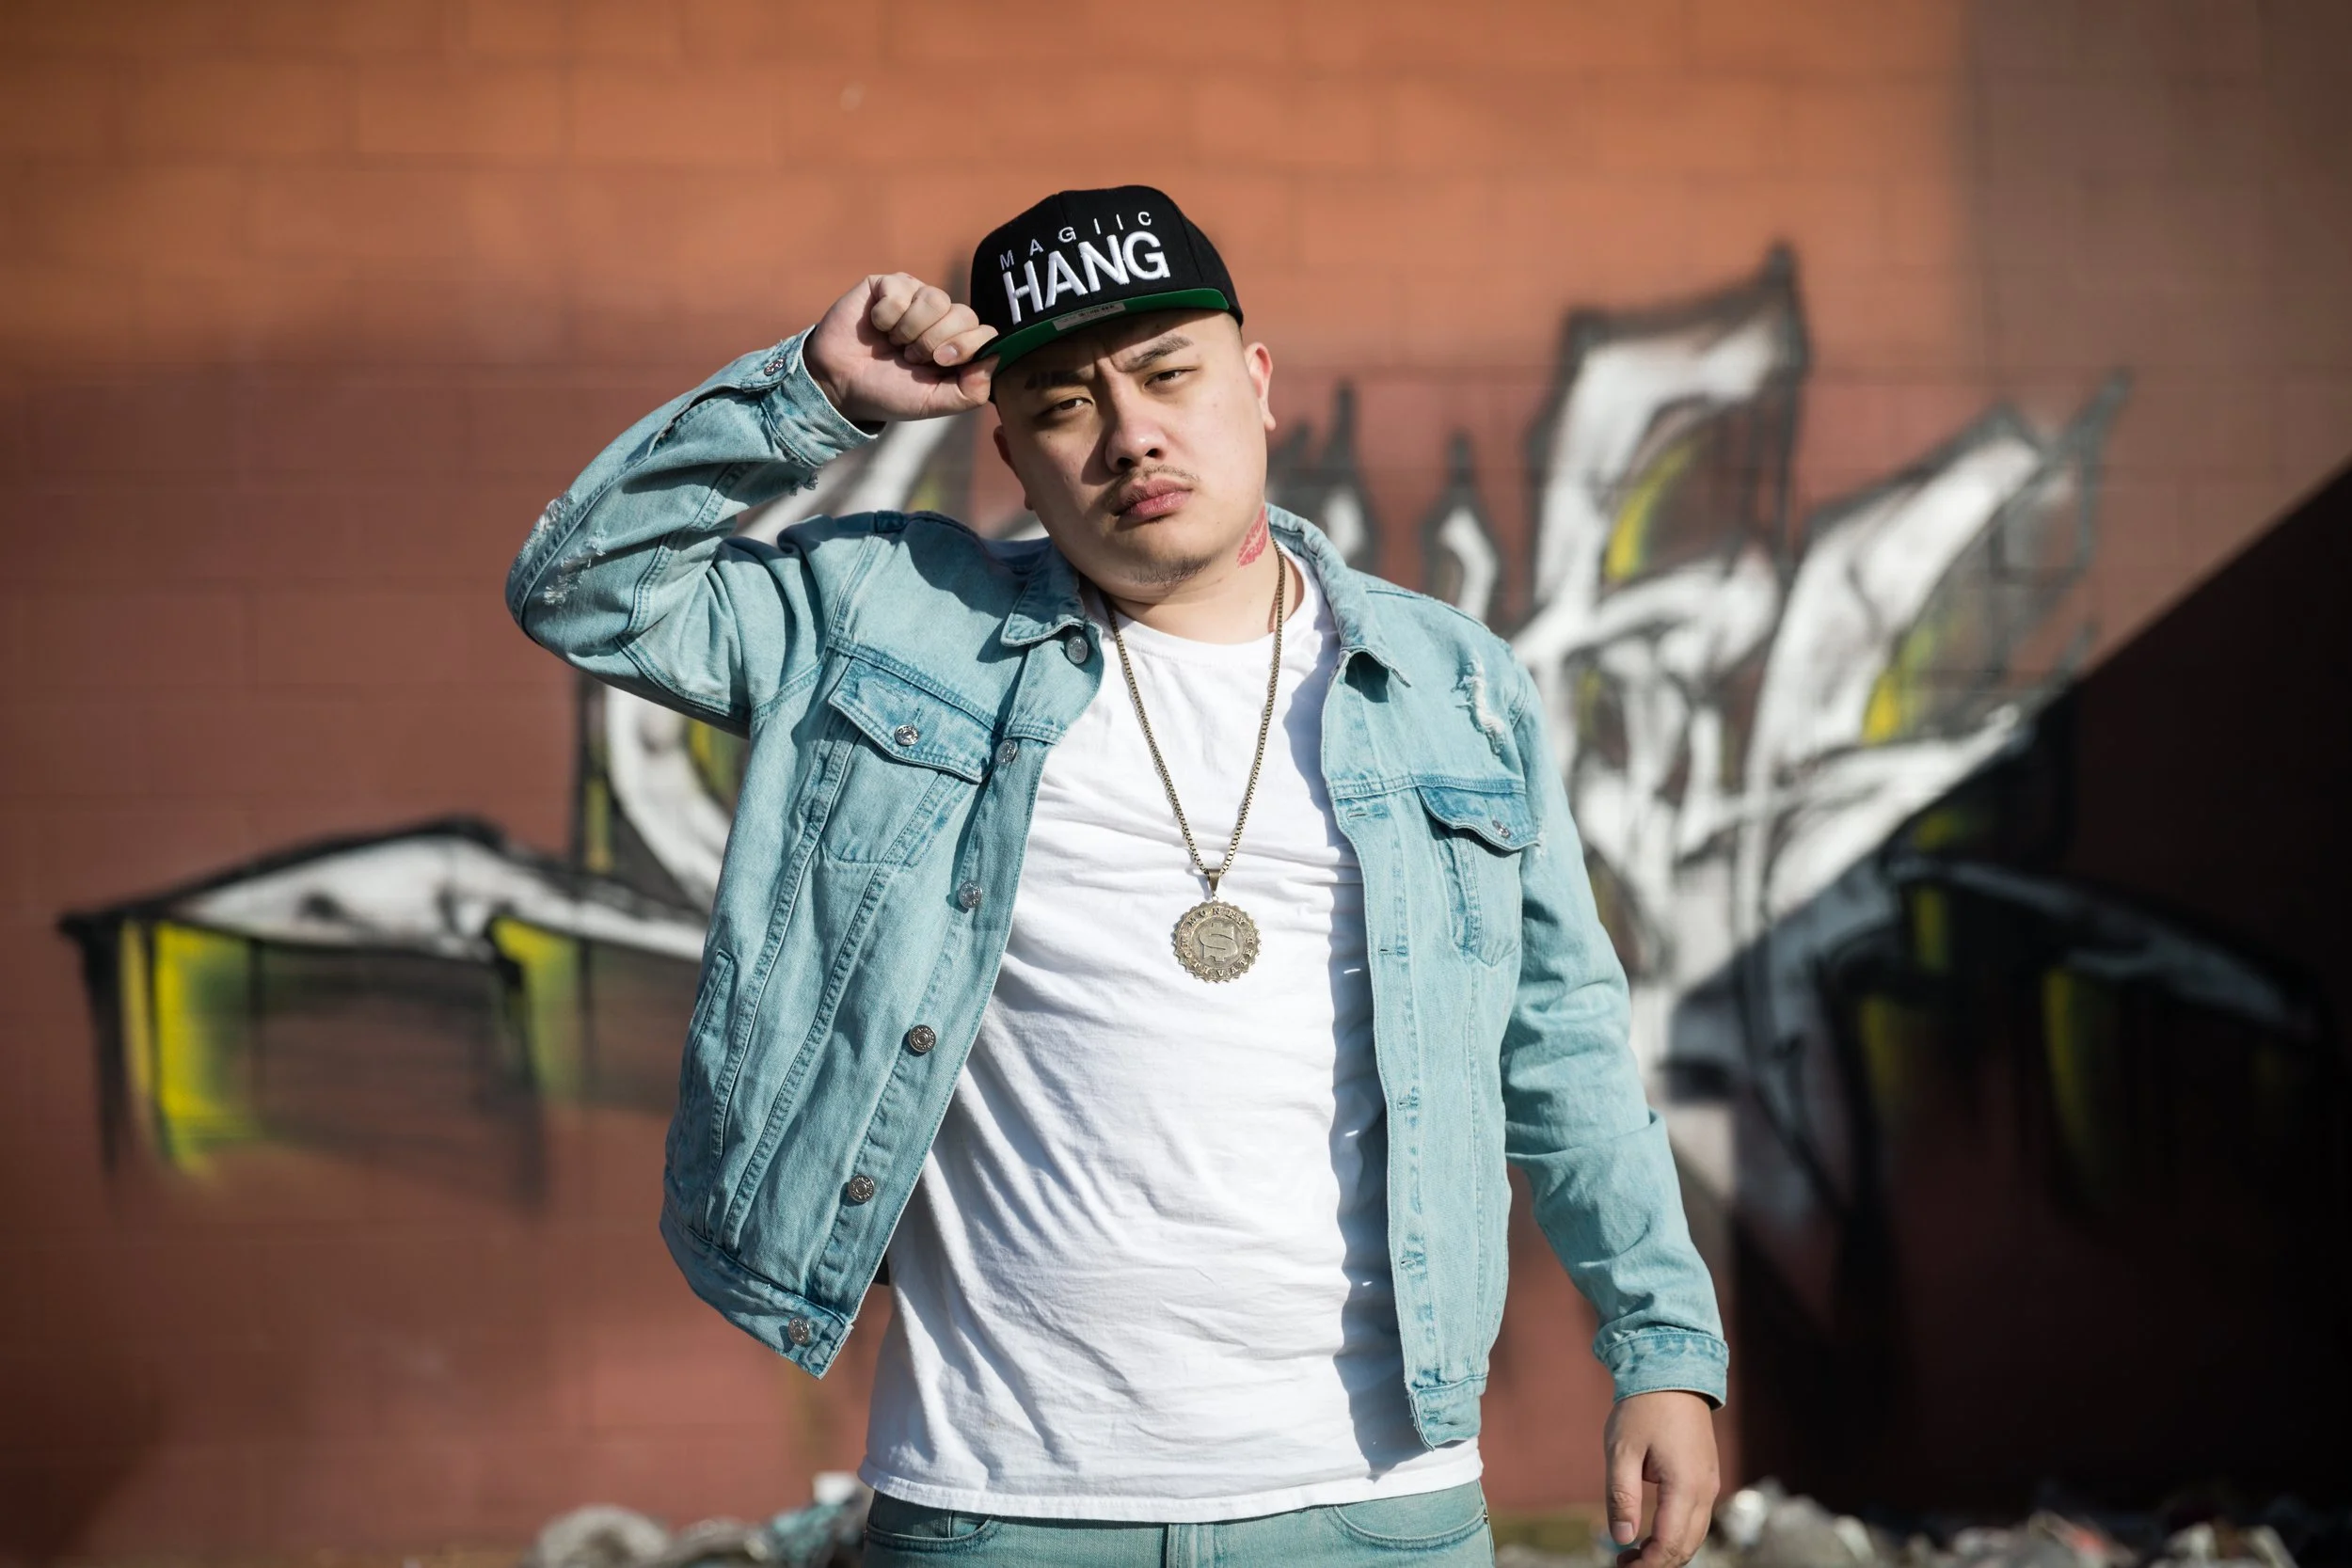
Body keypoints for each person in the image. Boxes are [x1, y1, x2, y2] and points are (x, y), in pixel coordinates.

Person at [508, 186, 1726, 1568]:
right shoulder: (892, 623)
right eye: (1064, 401)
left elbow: (1559, 1040)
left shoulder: (1452, 685)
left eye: (1168, 374)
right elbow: (580, 587)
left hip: (1374, 1502)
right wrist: (812, 394)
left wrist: (1663, 1345)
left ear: (1256, 386)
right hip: (998, 1505)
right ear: (1012, 454)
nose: (1133, 430)